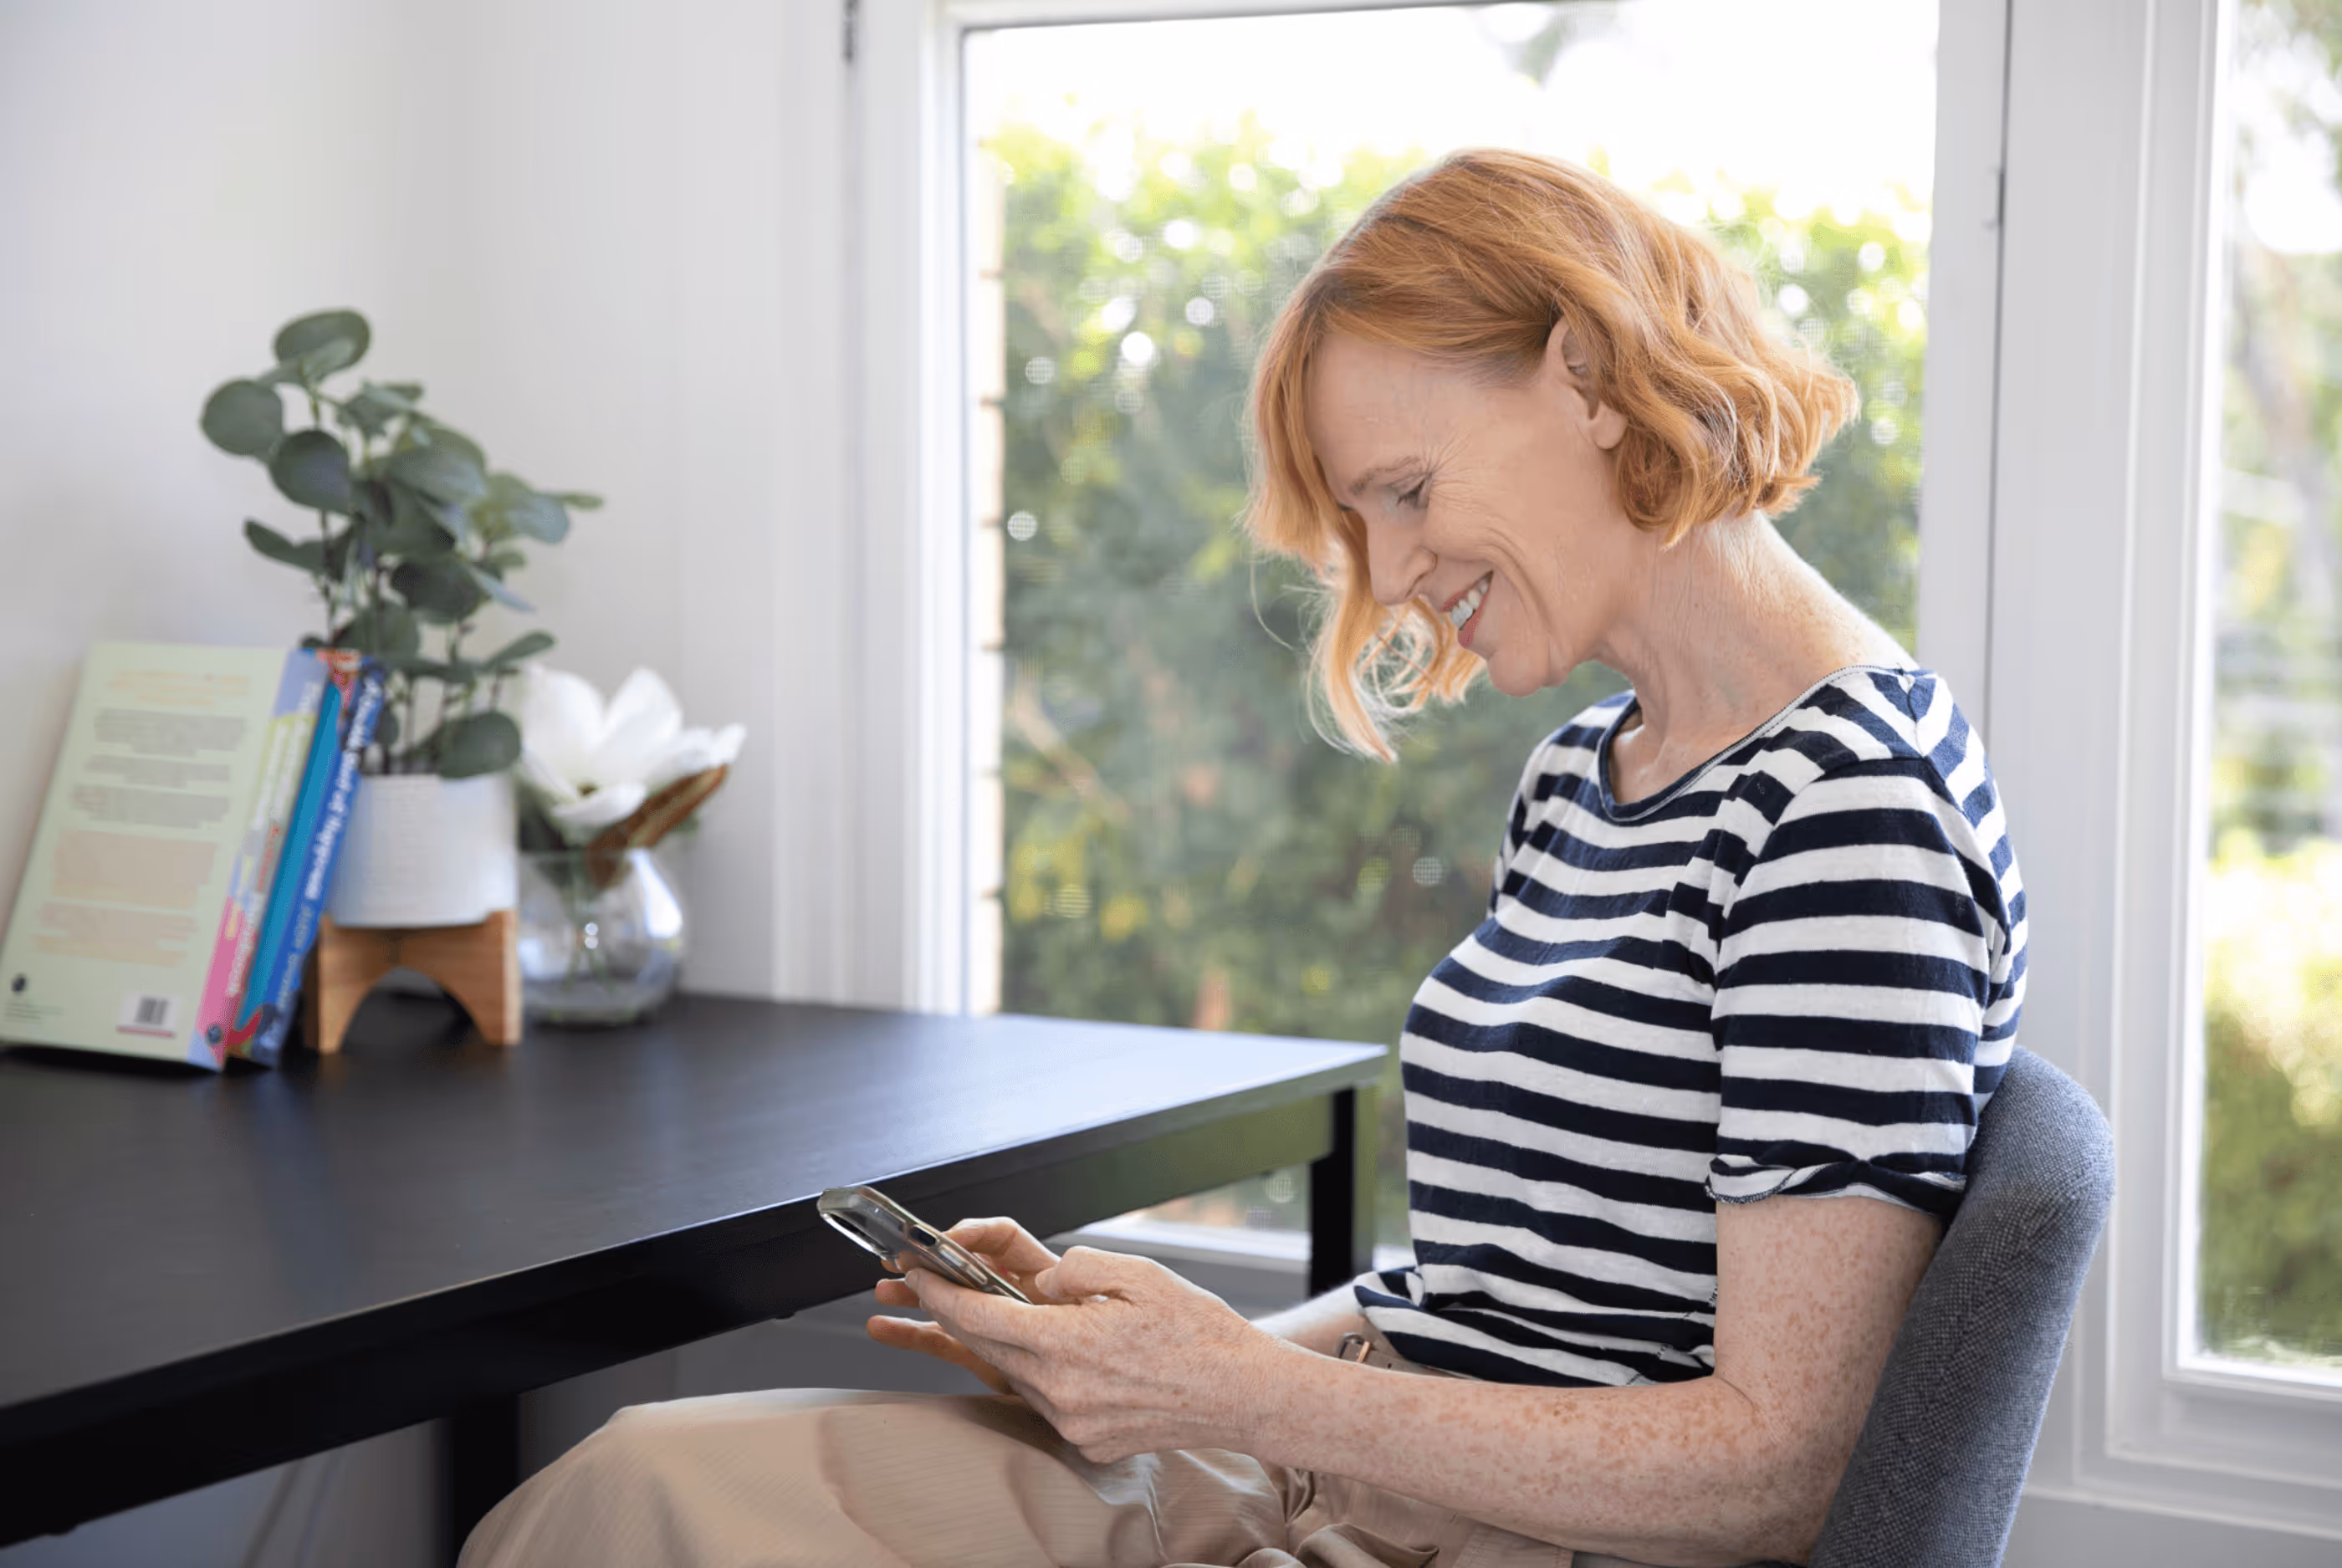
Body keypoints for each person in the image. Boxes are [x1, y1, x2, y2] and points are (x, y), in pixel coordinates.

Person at [460, 148, 2026, 1568]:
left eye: (1407, 493)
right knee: (639, 1484)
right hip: (1367, 1482)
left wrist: (1243, 1390)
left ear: (1593, 373)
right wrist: (1162, 1352)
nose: (1400, 576)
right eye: (1368, 523)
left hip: (1509, 1542)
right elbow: (1493, 1305)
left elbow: (1781, 1472)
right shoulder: (1586, 779)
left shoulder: (1844, 810)